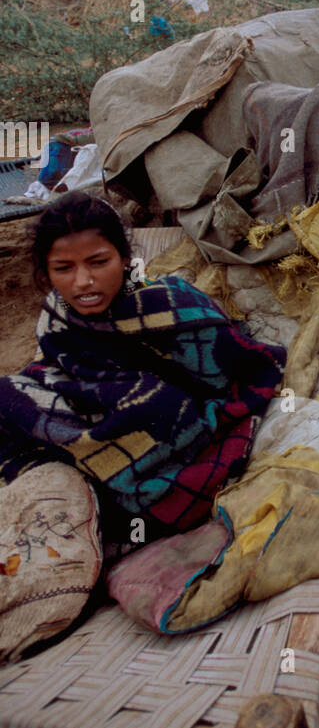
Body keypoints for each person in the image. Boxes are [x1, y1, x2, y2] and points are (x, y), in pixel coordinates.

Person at [0, 191, 286, 545]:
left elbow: (245, 369)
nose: (83, 281)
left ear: (123, 259)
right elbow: (61, 371)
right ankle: (79, 480)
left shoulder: (172, 305)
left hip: (168, 424)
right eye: (64, 268)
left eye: (98, 262)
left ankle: (106, 494)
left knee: (159, 404)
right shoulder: (56, 318)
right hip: (98, 415)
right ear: (46, 271)